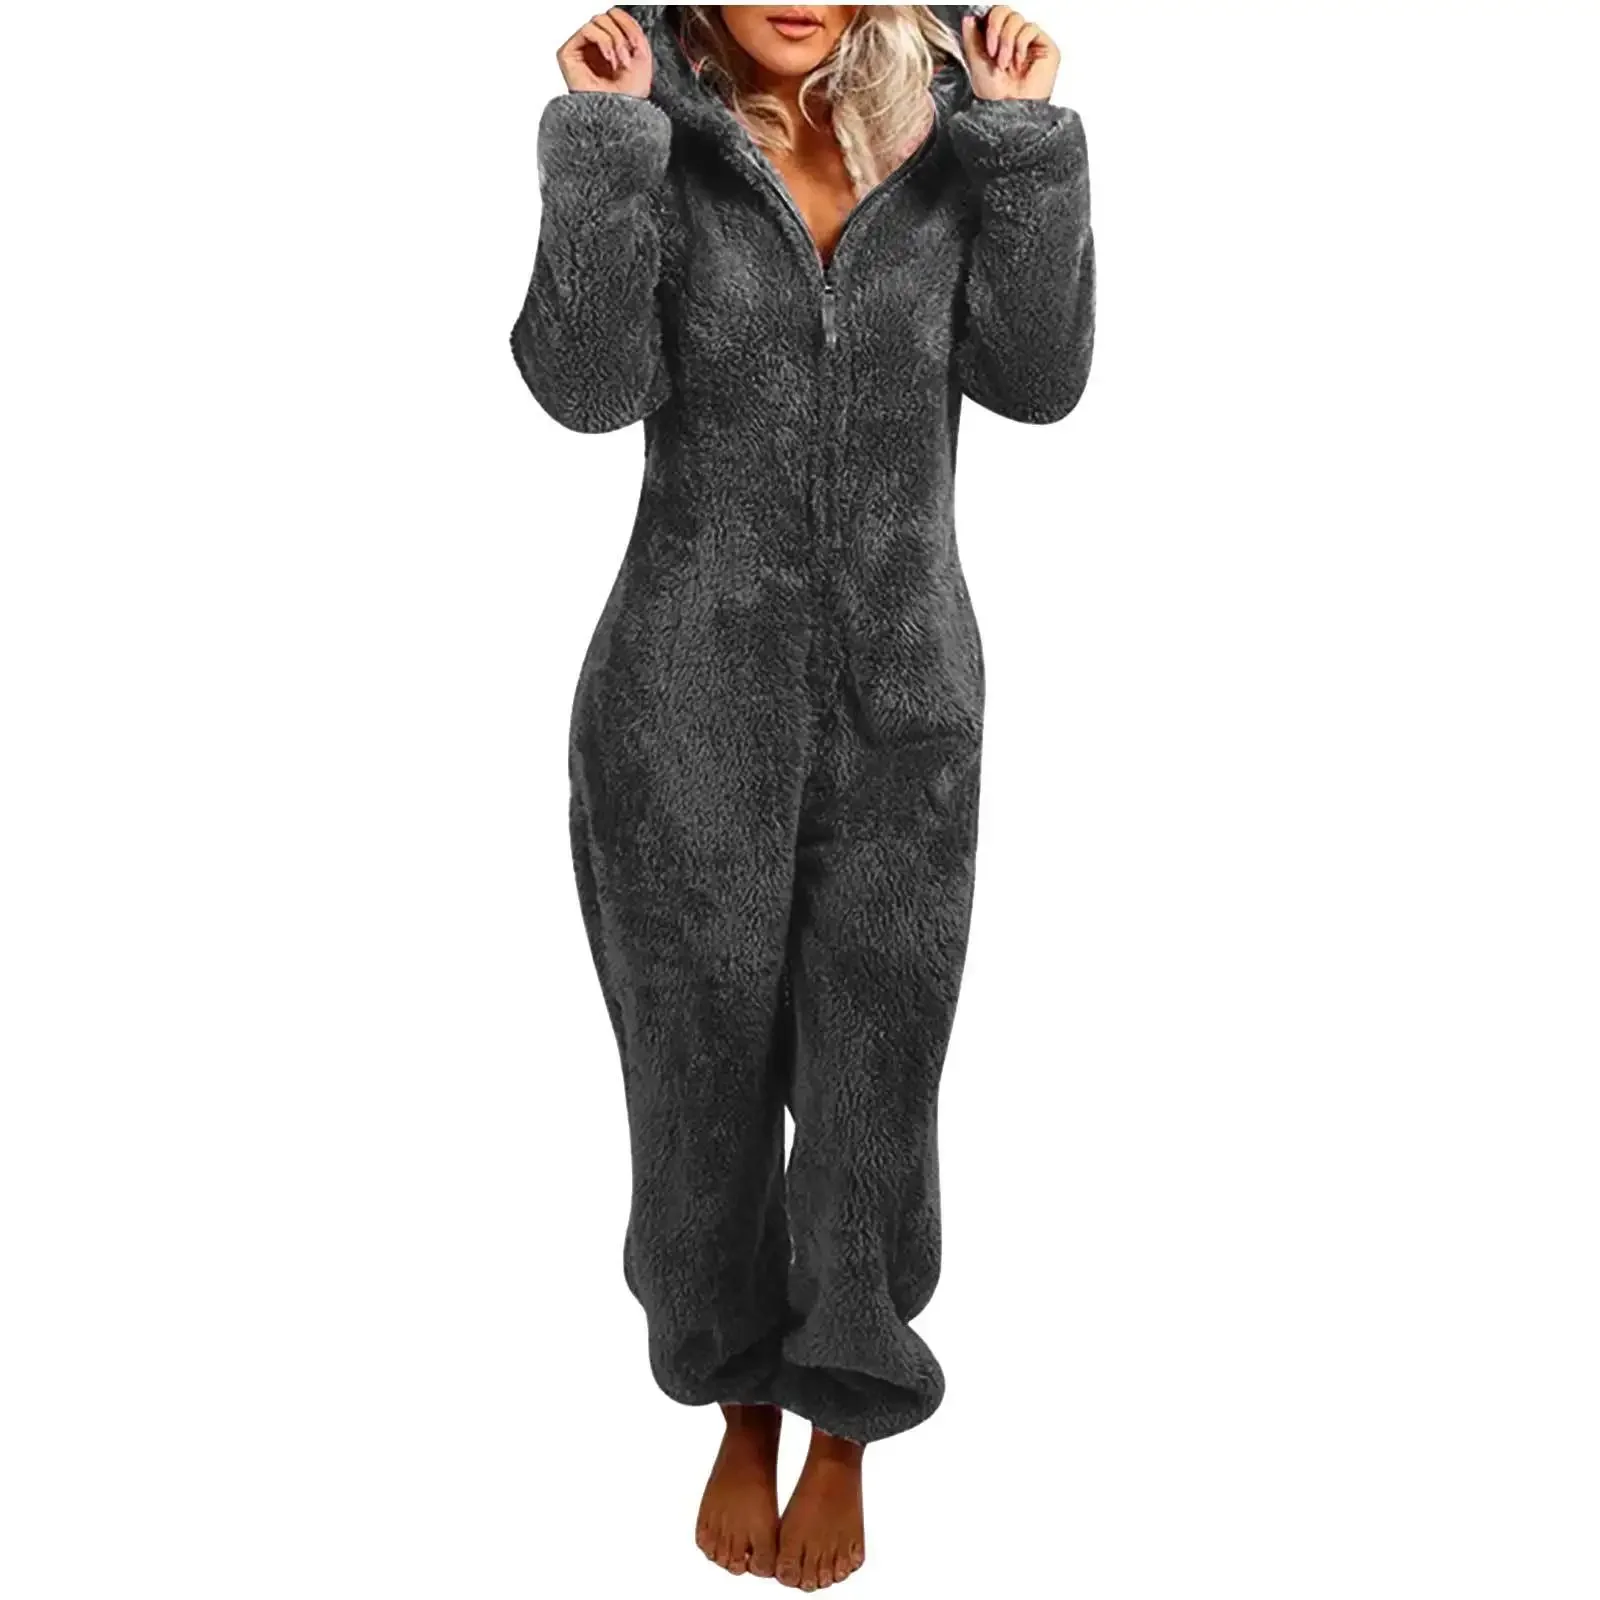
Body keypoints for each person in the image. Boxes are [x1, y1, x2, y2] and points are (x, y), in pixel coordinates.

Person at [511, 4, 1093, 1585]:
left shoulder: (953, 138)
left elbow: (1039, 381)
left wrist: (1025, 148)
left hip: (907, 709)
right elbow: (585, 386)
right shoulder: (664, 137)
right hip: (681, 701)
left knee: (873, 1087)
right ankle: (735, 1395)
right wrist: (609, 147)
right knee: (693, 1089)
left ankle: (843, 1413)